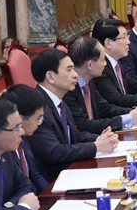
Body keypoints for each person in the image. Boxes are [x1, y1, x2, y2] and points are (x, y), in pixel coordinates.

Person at [27, 49, 119, 181]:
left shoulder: (59, 100)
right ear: (50, 77)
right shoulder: (37, 107)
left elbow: (75, 135)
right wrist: (95, 146)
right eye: (69, 70)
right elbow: (55, 152)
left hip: (72, 170)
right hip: (54, 180)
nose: (75, 75)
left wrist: (101, 138)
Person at [64, 36, 137, 133]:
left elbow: (104, 108)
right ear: (90, 65)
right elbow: (85, 125)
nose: (105, 64)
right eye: (102, 60)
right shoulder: (67, 90)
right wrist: (128, 118)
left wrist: (133, 113)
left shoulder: (88, 81)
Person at [0, 84, 50, 193]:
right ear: (20, 118)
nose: (39, 123)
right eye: (38, 118)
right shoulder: (4, 148)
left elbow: (34, 174)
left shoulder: (24, 137)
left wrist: (51, 194)